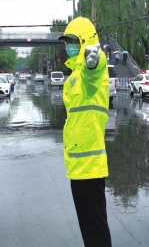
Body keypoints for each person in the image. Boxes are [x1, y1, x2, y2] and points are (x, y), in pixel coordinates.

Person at [58, 17, 112, 247]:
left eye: (72, 41)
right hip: (78, 165)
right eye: (66, 41)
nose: (68, 45)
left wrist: (95, 61)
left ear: (84, 42)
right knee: (89, 230)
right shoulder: (73, 77)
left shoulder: (92, 72)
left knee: (95, 231)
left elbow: (95, 70)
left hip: (90, 165)